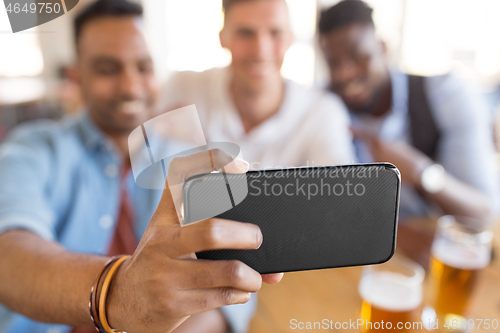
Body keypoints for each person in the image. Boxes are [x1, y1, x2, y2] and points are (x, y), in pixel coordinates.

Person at [0, 1, 283, 333]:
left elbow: (229, 296)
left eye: (144, 68)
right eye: (108, 69)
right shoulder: (33, 149)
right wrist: (119, 292)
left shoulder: (188, 160)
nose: (131, 86)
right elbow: (10, 257)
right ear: (76, 75)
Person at [318, 0, 499, 221]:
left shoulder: (444, 95)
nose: (345, 74)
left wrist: (421, 173)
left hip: (429, 242)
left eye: (358, 56)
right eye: (334, 63)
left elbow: (484, 212)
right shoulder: (322, 108)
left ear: (383, 47)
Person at [159, 0, 355, 170]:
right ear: (223, 38)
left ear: (289, 39)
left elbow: (342, 198)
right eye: (246, 33)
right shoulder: (182, 89)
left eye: (275, 33)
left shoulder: (322, 113)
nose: (261, 50)